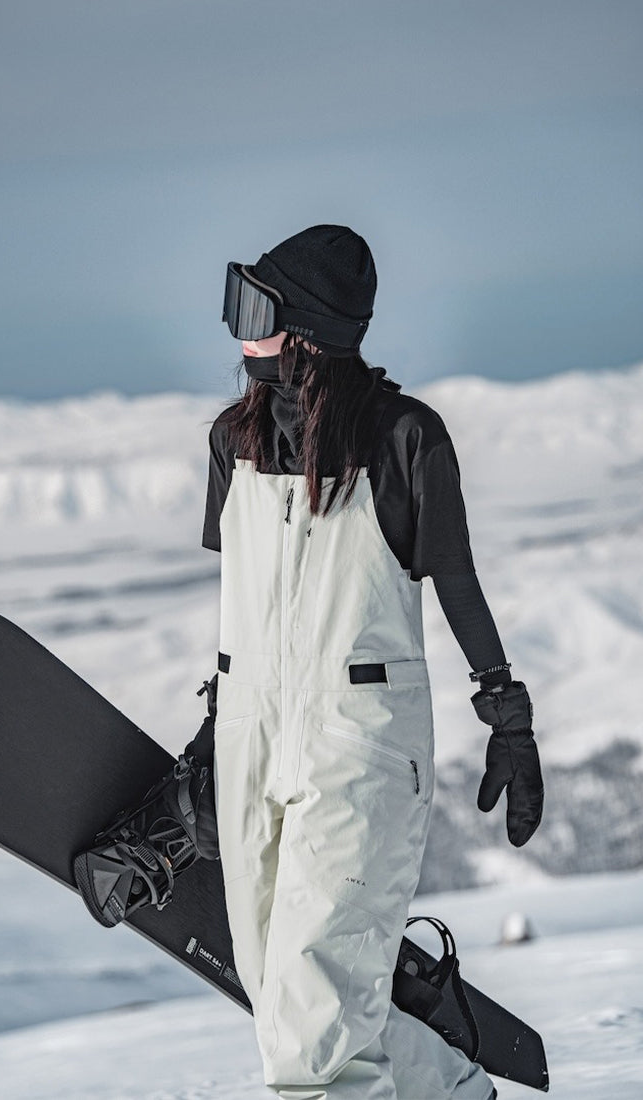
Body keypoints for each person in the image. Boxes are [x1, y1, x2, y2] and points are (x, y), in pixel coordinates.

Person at [201, 225, 544, 1100]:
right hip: (253, 735)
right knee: (284, 993)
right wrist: (217, 730)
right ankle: (454, 1092)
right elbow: (248, 605)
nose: (238, 331)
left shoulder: (403, 438)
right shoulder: (233, 441)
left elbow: (456, 580)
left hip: (360, 742)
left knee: (311, 1018)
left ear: (309, 331)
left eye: (256, 310)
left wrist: (506, 712)